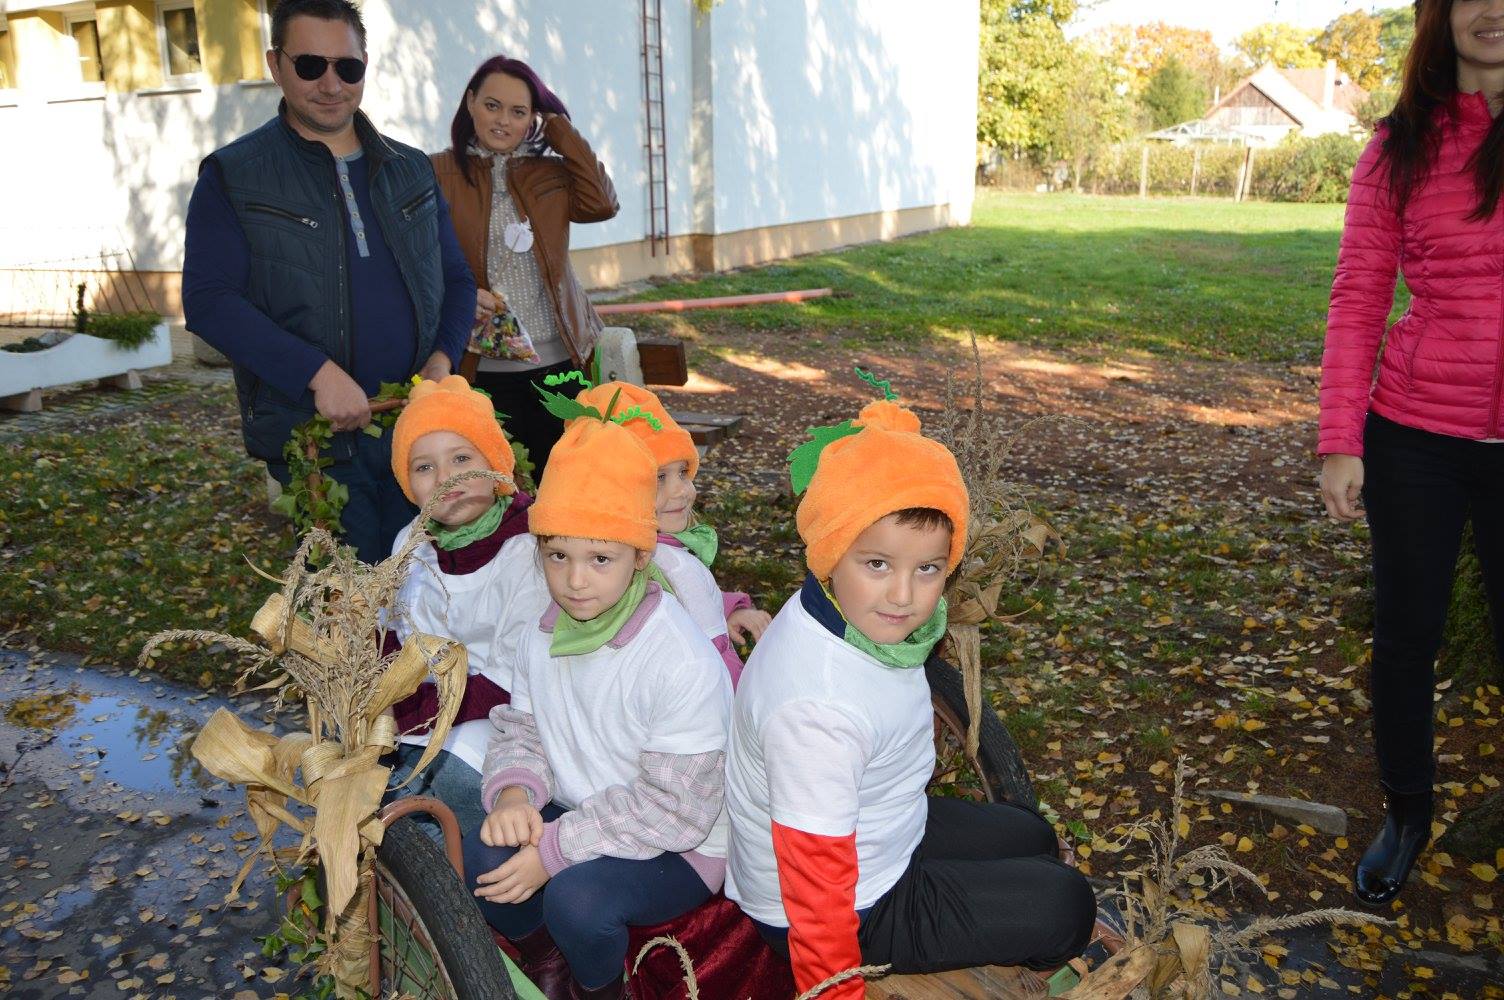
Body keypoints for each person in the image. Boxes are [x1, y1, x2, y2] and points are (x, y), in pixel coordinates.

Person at [724, 398, 1096, 999]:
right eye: (877, 564)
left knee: (1031, 834)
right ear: (830, 553)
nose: (903, 595)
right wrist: (836, 990)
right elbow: (815, 885)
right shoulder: (816, 711)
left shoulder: (845, 612)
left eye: (928, 568)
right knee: (1067, 905)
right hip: (851, 904)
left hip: (883, 829)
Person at [1318, 0, 1504, 906]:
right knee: (1404, 640)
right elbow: (1360, 293)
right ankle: (1406, 814)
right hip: (1415, 437)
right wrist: (1338, 440)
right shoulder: (1399, 147)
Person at [182, 0, 475, 562]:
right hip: (316, 441)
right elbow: (209, 300)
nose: (331, 84)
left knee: (434, 589)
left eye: (348, 67)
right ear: (276, 64)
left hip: (419, 429)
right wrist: (316, 375)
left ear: (366, 64)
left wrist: (442, 362)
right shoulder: (234, 175)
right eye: (310, 65)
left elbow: (457, 280)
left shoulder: (410, 168)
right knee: (348, 599)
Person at [465, 414, 732, 1000]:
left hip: (680, 842)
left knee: (577, 899)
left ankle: (601, 988)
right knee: (483, 850)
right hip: (583, 805)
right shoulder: (541, 633)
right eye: (557, 555)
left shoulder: (677, 658)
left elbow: (675, 806)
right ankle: (546, 957)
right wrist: (515, 793)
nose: (575, 581)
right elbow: (523, 729)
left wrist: (554, 849)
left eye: (600, 559)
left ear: (640, 556)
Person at [431, 56, 619, 474]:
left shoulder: (551, 173)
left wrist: (558, 128)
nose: (503, 121)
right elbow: (416, 259)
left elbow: (602, 203)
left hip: (558, 364)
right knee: (500, 487)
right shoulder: (437, 172)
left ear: (533, 118)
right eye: (492, 105)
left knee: (566, 481)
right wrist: (454, 293)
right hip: (480, 367)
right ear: (470, 102)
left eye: (519, 112)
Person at [379, 375, 533, 835]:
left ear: (496, 463)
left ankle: (451, 869)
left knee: (445, 783)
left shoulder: (527, 551)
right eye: (424, 467)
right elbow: (389, 630)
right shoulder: (410, 542)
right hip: (416, 705)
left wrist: (409, 712)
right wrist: (377, 698)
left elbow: (511, 679)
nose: (447, 478)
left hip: (495, 714)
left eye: (463, 458)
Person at [575, 381, 772, 686]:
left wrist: (727, 609)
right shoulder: (676, 566)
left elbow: (691, 602)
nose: (682, 490)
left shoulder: (596, 556)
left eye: (682, 472)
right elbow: (714, 665)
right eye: (659, 478)